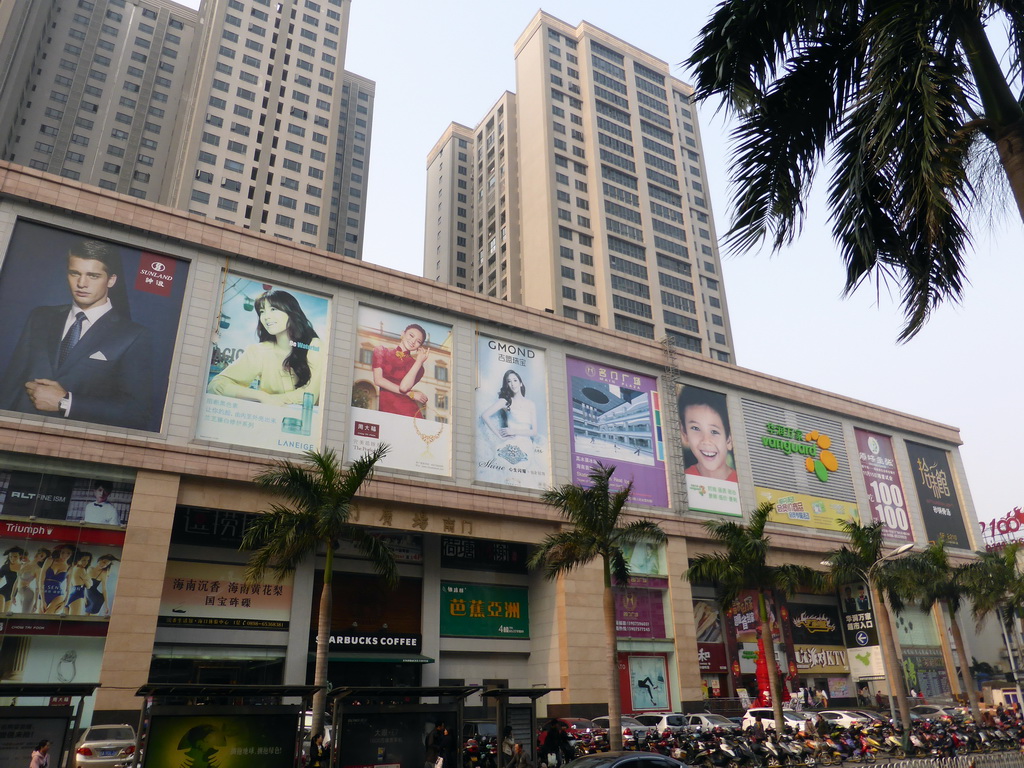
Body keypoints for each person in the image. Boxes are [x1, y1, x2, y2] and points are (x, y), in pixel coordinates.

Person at [0, 238, 154, 429]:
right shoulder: (40, 317)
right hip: (17, 433)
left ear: (111, 280)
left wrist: (66, 403)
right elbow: (10, 386)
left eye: (93, 276)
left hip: (75, 442)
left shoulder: (133, 336)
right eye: (75, 273)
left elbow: (137, 413)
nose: (82, 283)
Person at [208, 290, 324, 405]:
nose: (266, 317)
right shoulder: (259, 351)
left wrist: (271, 400)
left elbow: (309, 397)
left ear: (292, 312)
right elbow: (216, 385)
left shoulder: (314, 346)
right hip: (268, 420)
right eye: (262, 311)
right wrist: (260, 396)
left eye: (273, 309)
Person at [480, 370, 540, 468]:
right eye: (509, 381)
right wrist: (500, 436)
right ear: (507, 384)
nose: (512, 384)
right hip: (511, 442)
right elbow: (485, 415)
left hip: (526, 443)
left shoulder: (530, 404)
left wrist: (514, 430)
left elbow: (534, 432)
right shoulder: (505, 401)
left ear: (521, 383)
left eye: (515, 380)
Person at [678, 387, 737, 481]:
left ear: (729, 439)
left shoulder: (742, 484)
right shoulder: (681, 480)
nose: (706, 440)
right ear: (684, 433)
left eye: (714, 431)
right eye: (695, 428)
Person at [372, 323, 430, 417]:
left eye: (418, 341)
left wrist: (419, 361)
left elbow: (403, 387)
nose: (413, 341)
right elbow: (378, 380)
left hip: (409, 413)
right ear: (402, 333)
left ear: (419, 347)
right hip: (386, 410)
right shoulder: (381, 351)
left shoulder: (418, 368)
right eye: (411, 335)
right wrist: (411, 394)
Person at [37, 544, 75, 614]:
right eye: (63, 552)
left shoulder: (70, 567)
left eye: (68, 553)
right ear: (60, 552)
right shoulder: (50, 560)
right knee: (40, 617)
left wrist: (65, 602)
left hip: (58, 595)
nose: (64, 555)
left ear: (71, 555)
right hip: (44, 593)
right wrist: (42, 600)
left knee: (47, 615)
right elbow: (41, 580)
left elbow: (68, 587)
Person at [64, 551, 93, 615]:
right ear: (78, 559)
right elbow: (89, 585)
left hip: (71, 594)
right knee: (73, 621)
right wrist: (86, 582)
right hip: (78, 595)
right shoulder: (81, 569)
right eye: (84, 560)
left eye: (87, 560)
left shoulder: (73, 568)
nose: (86, 562)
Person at [0, 546, 25, 614]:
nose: (12, 559)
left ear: (20, 556)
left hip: (14, 593)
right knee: (1, 613)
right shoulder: (5, 567)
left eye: (15, 556)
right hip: (3, 591)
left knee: (5, 615)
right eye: (10, 557)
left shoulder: (24, 567)